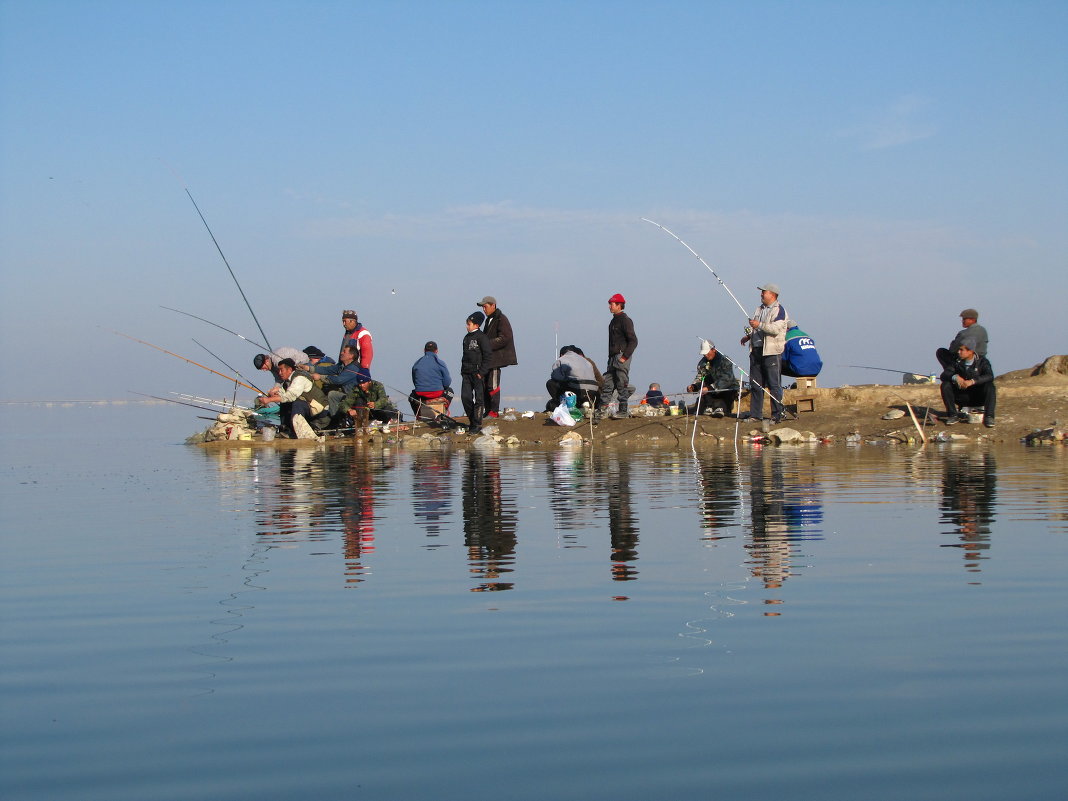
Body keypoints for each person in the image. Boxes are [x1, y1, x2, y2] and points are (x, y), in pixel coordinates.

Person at [740, 283, 787, 423]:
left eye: (763, 292)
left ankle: (776, 415)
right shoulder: (759, 309)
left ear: (772, 294)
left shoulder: (779, 310)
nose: (761, 294)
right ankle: (755, 415)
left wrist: (758, 325)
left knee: (774, 384)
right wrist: (749, 336)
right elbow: (758, 328)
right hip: (756, 351)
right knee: (755, 384)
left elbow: (776, 329)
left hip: (771, 352)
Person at [255, 358, 328, 438]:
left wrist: (269, 400)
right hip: (310, 407)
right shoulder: (287, 382)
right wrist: (275, 393)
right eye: (279, 370)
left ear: (289, 369)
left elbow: (290, 396)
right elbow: (284, 395)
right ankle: (285, 429)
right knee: (284, 402)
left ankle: (295, 433)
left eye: (281, 370)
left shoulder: (299, 378)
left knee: (297, 404)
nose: (279, 373)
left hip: (320, 409)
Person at [939, 338, 996, 427]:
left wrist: (972, 381)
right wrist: (954, 377)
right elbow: (944, 375)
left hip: (978, 396)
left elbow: (989, 376)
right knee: (945, 385)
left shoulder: (982, 362)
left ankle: (989, 417)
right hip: (962, 396)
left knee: (990, 386)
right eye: (959, 349)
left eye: (962, 350)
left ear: (971, 351)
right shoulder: (956, 362)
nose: (959, 352)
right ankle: (953, 415)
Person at [476, 296, 517, 418]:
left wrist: (486, 344)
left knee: (492, 385)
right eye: (483, 307)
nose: (484, 309)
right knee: (484, 384)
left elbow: (505, 337)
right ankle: (488, 410)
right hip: (488, 359)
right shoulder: (489, 319)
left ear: (493, 305)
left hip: (496, 358)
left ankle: (494, 411)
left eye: (485, 306)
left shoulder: (501, 319)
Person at [599, 293, 638, 420]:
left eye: (612, 304)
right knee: (608, 384)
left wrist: (624, 356)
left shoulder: (625, 320)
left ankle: (623, 411)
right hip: (612, 358)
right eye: (610, 304)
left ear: (619, 305)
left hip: (621, 357)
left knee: (622, 384)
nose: (609, 306)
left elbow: (633, 341)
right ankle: (602, 410)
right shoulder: (613, 321)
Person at [314, 344, 366, 424]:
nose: (341, 353)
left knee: (332, 395)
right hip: (346, 395)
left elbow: (339, 380)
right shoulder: (342, 366)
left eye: (344, 351)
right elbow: (327, 370)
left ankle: (336, 421)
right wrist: (310, 368)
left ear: (351, 356)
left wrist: (320, 377)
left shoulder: (353, 368)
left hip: (354, 397)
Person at [688, 340, 740, 417]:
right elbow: (701, 377)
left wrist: (710, 388)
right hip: (710, 392)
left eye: (707, 353)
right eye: (704, 354)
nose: (706, 355)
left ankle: (720, 409)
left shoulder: (725, 360)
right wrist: (693, 386)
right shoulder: (702, 363)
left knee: (724, 399)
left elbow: (727, 379)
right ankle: (707, 408)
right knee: (701, 403)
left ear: (713, 350)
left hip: (727, 390)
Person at [461, 310, 492, 433]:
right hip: (466, 373)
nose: (467, 326)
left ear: (476, 325)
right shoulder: (466, 338)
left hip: (478, 373)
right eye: (467, 323)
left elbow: (488, 355)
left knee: (479, 399)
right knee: (466, 397)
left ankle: (477, 424)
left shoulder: (482, 337)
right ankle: (472, 420)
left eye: (469, 324)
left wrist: (482, 372)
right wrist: (463, 371)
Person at [546, 345, 600, 412]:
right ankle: (585, 404)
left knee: (550, 383)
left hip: (576, 389)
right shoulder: (586, 361)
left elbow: (556, 377)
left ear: (561, 354)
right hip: (593, 391)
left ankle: (563, 404)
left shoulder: (561, 359)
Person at [410, 341, 454, 420]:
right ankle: (442, 415)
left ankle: (418, 416)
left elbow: (415, 381)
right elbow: (447, 382)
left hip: (420, 394)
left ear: (424, 350)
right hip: (437, 393)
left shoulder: (417, 363)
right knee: (450, 391)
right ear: (436, 351)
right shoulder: (440, 363)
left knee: (411, 397)